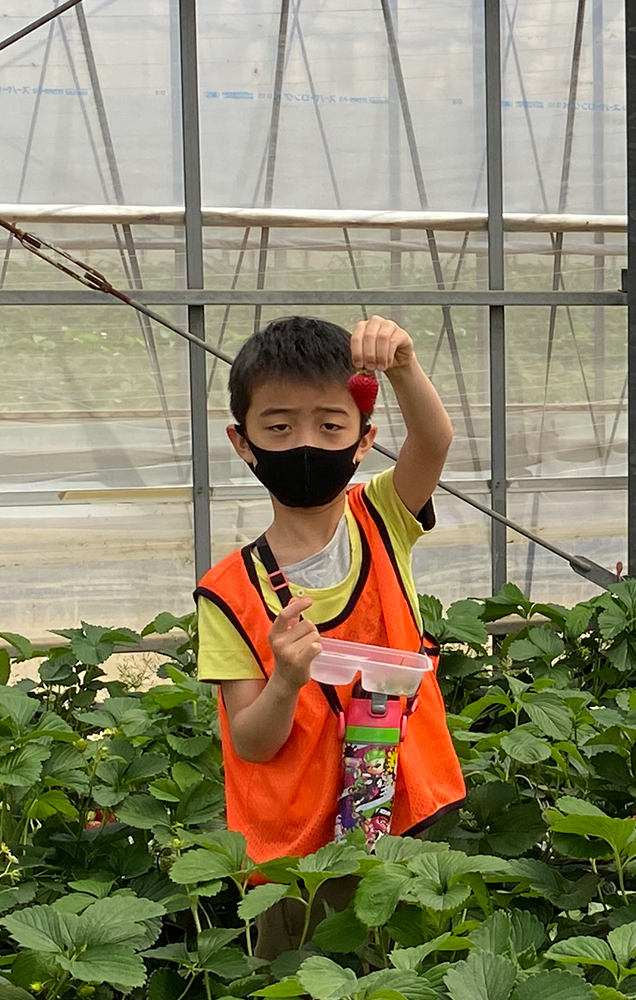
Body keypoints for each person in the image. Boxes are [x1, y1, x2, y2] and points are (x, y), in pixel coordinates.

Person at [191, 315, 463, 954]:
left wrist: (400, 365)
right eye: (279, 426)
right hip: (299, 861)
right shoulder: (229, 590)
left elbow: (433, 437)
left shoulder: (383, 518)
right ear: (243, 442)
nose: (306, 443)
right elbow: (253, 743)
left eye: (330, 424)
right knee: (307, 973)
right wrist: (285, 679)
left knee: (408, 976)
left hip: (404, 820)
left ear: (364, 440)